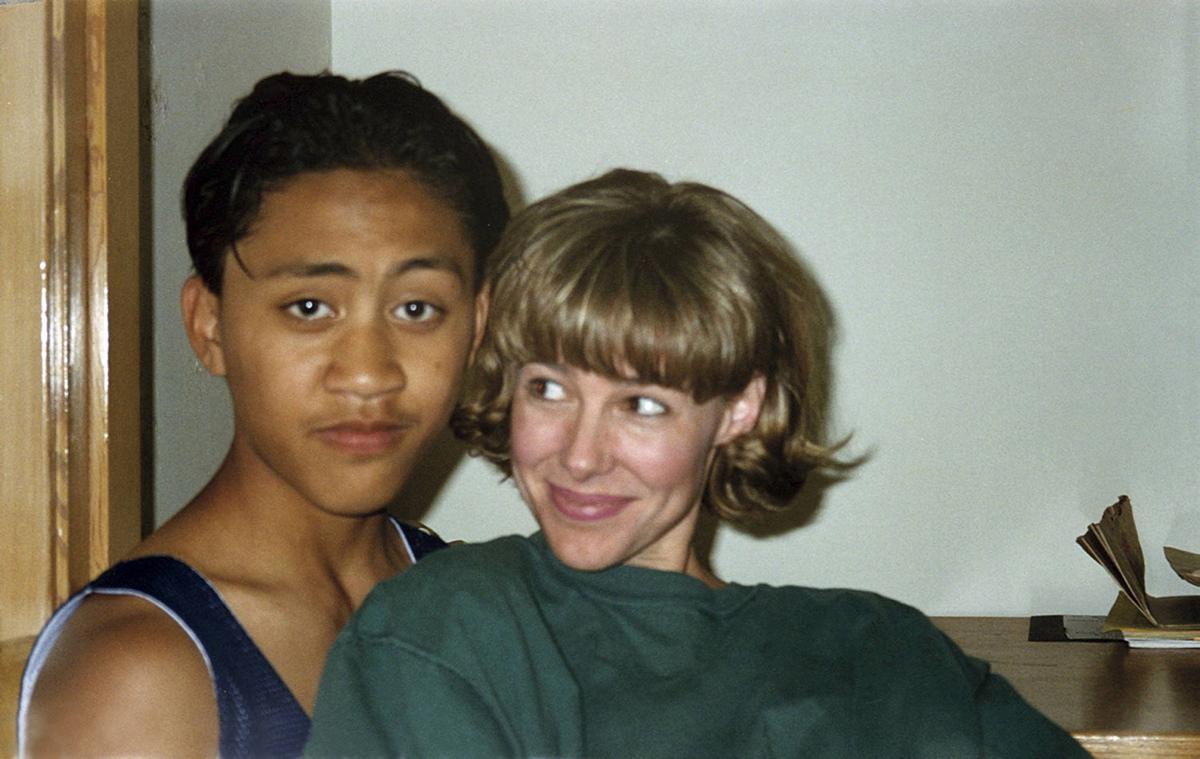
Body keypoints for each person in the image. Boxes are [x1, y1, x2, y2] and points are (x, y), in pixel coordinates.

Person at [305, 169, 1088, 757]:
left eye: (642, 404)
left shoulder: (879, 651)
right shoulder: (444, 632)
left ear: (739, 407)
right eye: (548, 388)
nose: (579, 454)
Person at [18, 71, 508, 757]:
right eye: (310, 307)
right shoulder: (135, 670)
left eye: (416, 308)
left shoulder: (468, 600)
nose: (368, 373)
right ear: (209, 325)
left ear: (476, 324)